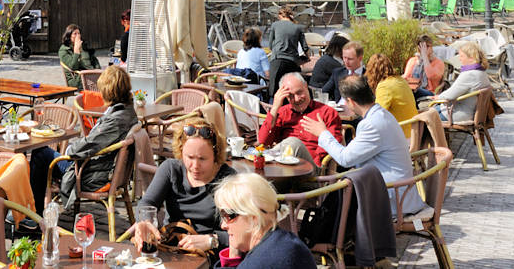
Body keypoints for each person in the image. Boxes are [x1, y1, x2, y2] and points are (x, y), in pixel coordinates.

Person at [302, 75, 428, 216]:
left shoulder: (372, 123)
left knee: (337, 200)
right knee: (337, 193)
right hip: (394, 189)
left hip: (392, 198)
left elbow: (345, 159)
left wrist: (322, 133)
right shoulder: (381, 114)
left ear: (350, 101)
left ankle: (331, 235)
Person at [30, 66, 138, 212]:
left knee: (41, 154)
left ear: (108, 91)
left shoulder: (115, 120)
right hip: (103, 169)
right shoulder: (128, 111)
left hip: (91, 175)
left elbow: (89, 144)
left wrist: (68, 151)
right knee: (46, 154)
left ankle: (34, 215)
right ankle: (36, 210)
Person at [133, 117, 236, 254]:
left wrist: (211, 240)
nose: (195, 166)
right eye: (189, 157)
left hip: (210, 254)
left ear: (216, 155)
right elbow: (147, 202)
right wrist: (145, 221)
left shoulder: (228, 179)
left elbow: (245, 231)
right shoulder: (171, 169)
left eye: (202, 159)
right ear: (181, 152)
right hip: (172, 249)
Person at [213, 172, 316, 269]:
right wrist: (233, 255)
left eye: (227, 215)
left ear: (253, 217)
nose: (223, 225)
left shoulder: (259, 263)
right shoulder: (287, 242)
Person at [256, 72, 342, 166]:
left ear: (306, 86)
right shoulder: (283, 112)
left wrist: (317, 169)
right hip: (282, 164)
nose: (296, 99)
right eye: (291, 96)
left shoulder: (326, 112)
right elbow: (263, 141)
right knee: (259, 158)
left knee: (293, 142)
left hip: (310, 167)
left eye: (299, 93)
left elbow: (333, 145)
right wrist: (275, 107)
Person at [431, 42, 490, 123]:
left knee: (423, 119)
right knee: (427, 112)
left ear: (471, 57)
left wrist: (438, 97)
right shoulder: (481, 72)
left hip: (458, 113)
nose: (459, 59)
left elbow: (450, 95)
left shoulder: (469, 74)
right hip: (470, 111)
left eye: (462, 56)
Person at [366, 54, 417, 137]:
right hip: (412, 131)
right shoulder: (400, 80)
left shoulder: (385, 86)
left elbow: (376, 115)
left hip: (399, 135)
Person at [264, 6, 308, 98]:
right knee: (292, 90)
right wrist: (306, 58)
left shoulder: (275, 25)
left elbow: (271, 45)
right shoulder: (297, 27)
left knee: (274, 91)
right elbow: (305, 47)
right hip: (292, 62)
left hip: (277, 61)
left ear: (280, 15)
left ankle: (274, 110)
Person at [402, 35, 445, 100]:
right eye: (421, 47)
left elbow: (430, 76)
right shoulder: (413, 60)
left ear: (431, 47)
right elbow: (406, 77)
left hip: (430, 91)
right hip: (412, 88)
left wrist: (425, 56)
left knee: (414, 91)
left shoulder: (439, 63)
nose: (424, 49)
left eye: (427, 46)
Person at [58, 24, 99, 89]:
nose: (78, 36)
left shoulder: (84, 46)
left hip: (92, 74)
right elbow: (73, 67)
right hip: (77, 78)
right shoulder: (64, 50)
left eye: (79, 33)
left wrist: (97, 70)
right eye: (75, 34)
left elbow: (94, 60)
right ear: (69, 36)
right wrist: (76, 51)